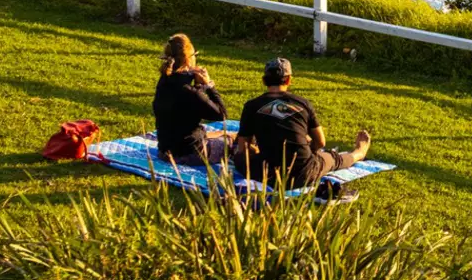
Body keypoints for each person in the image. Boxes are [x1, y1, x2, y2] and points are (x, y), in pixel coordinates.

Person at [232, 57, 371, 189]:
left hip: (268, 175)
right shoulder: (302, 103)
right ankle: (358, 153)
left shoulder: (251, 106)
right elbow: (321, 142)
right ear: (289, 80)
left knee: (238, 158)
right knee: (333, 159)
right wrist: (311, 151)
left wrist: (255, 150)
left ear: (264, 81)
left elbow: (243, 147)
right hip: (304, 173)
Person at [152, 33, 229, 166]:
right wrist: (209, 86)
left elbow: (185, 106)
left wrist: (199, 86)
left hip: (165, 151)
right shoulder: (189, 92)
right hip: (189, 153)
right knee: (233, 140)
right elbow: (221, 114)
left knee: (220, 134)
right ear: (189, 60)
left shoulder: (164, 81)